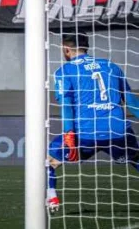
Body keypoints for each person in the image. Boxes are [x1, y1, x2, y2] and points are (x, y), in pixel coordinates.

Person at [48, 34, 139, 212]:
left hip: (86, 133)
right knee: (136, 158)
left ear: (66, 50)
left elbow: (67, 106)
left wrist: (69, 134)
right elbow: (132, 103)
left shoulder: (64, 71)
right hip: (118, 130)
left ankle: (52, 198)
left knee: (48, 162)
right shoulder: (112, 66)